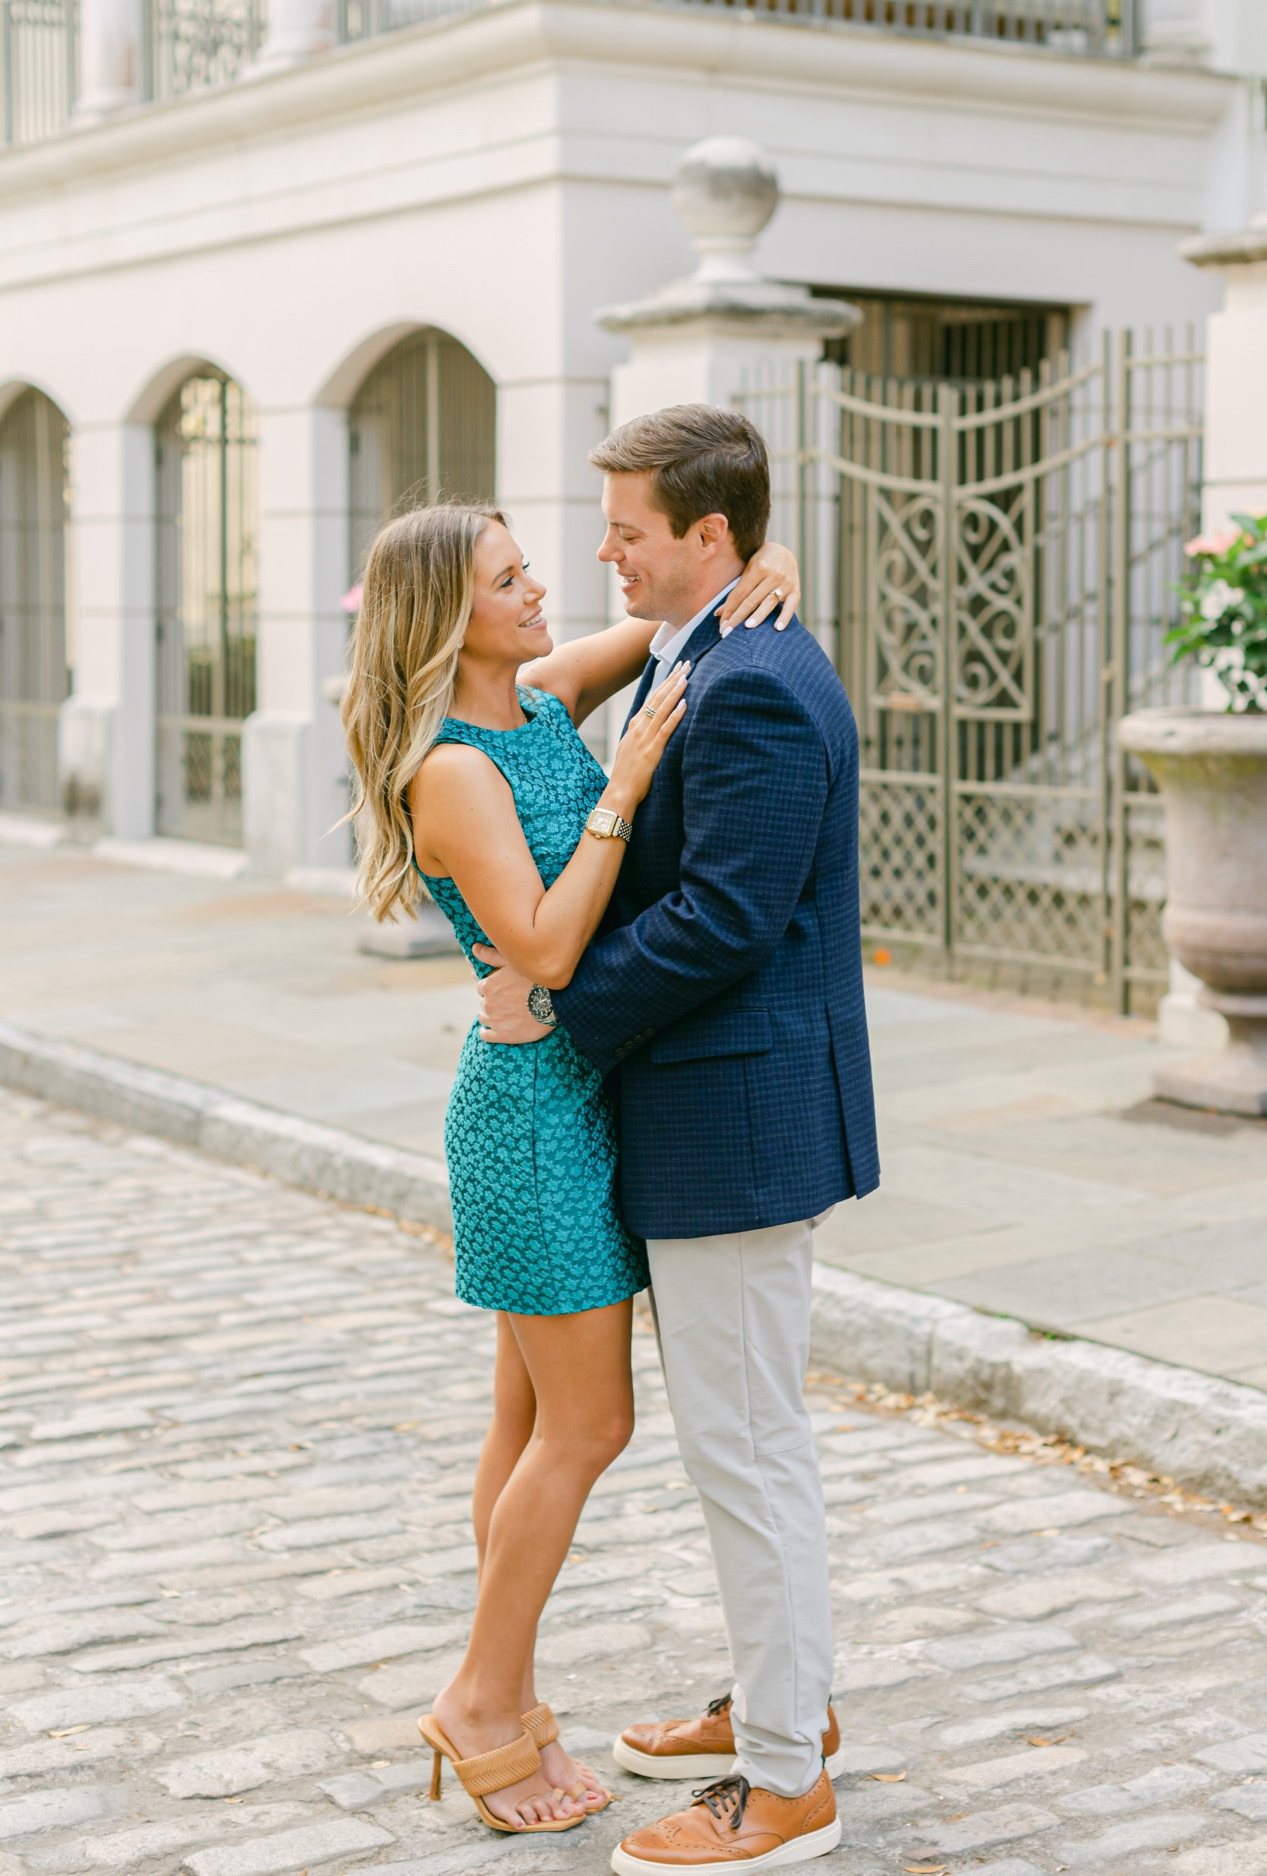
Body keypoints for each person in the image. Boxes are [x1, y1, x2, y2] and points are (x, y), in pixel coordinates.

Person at [340, 499, 802, 1837]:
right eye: (507, 577)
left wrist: (757, 565)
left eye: (531, 567)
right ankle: (481, 1703)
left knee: (524, 1423)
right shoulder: (452, 769)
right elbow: (540, 950)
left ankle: (507, 1689)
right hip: (529, 1120)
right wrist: (625, 786)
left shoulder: (540, 691)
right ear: (448, 613)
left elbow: (674, 614)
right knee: (588, 1425)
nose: (540, 588)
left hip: (576, 1092)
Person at [477, 405, 879, 1874]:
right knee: (746, 1443)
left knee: (746, 1452)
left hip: (739, 1122)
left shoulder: (755, 677)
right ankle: (788, 1709)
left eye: (628, 531)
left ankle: (784, 1786)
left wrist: (551, 997)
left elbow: (725, 917)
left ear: (709, 536)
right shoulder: (704, 640)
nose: (602, 553)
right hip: (712, 1114)